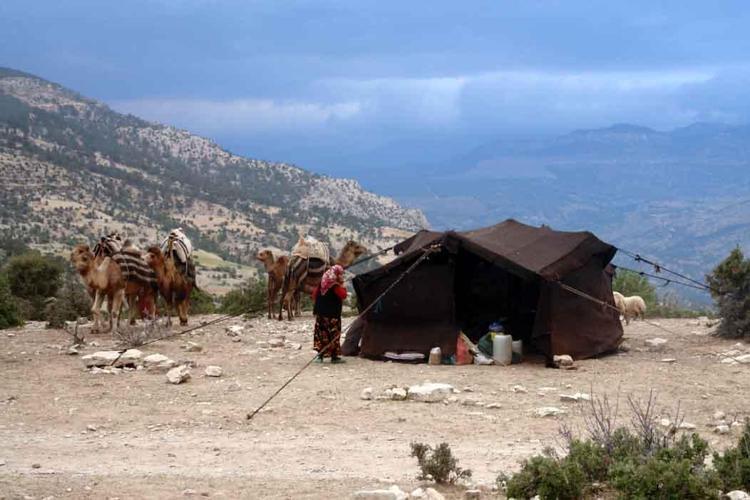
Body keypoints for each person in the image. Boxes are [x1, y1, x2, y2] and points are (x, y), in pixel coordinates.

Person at [312, 264, 347, 363]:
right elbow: (343, 295)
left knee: (321, 335)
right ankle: (334, 357)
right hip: (332, 316)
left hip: (321, 315)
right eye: (340, 274)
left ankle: (320, 356)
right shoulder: (335, 285)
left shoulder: (323, 283)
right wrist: (343, 285)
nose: (342, 276)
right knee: (333, 335)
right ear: (336, 274)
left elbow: (314, 295)